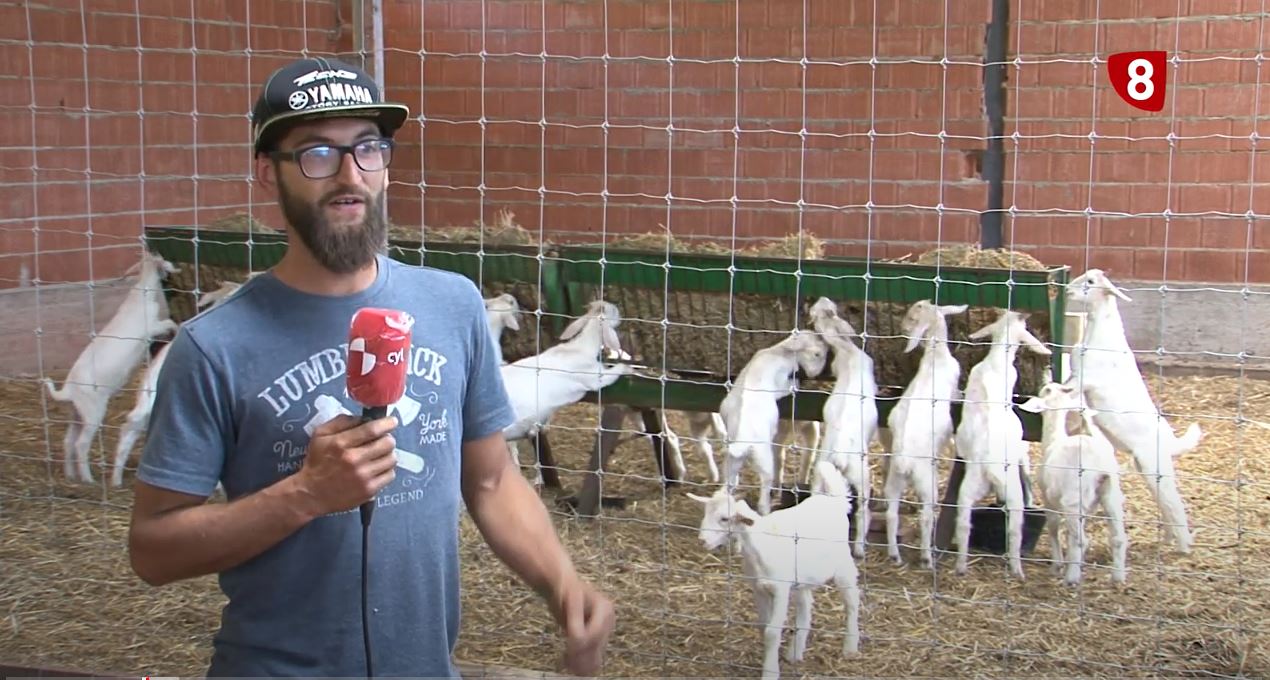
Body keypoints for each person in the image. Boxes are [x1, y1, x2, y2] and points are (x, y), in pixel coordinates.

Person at [127, 56, 615, 679]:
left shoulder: (452, 305)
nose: (350, 174)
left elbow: (491, 481)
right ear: (268, 172)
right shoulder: (213, 346)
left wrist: (563, 586)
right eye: (317, 153)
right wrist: (305, 495)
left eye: (367, 147)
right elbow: (154, 551)